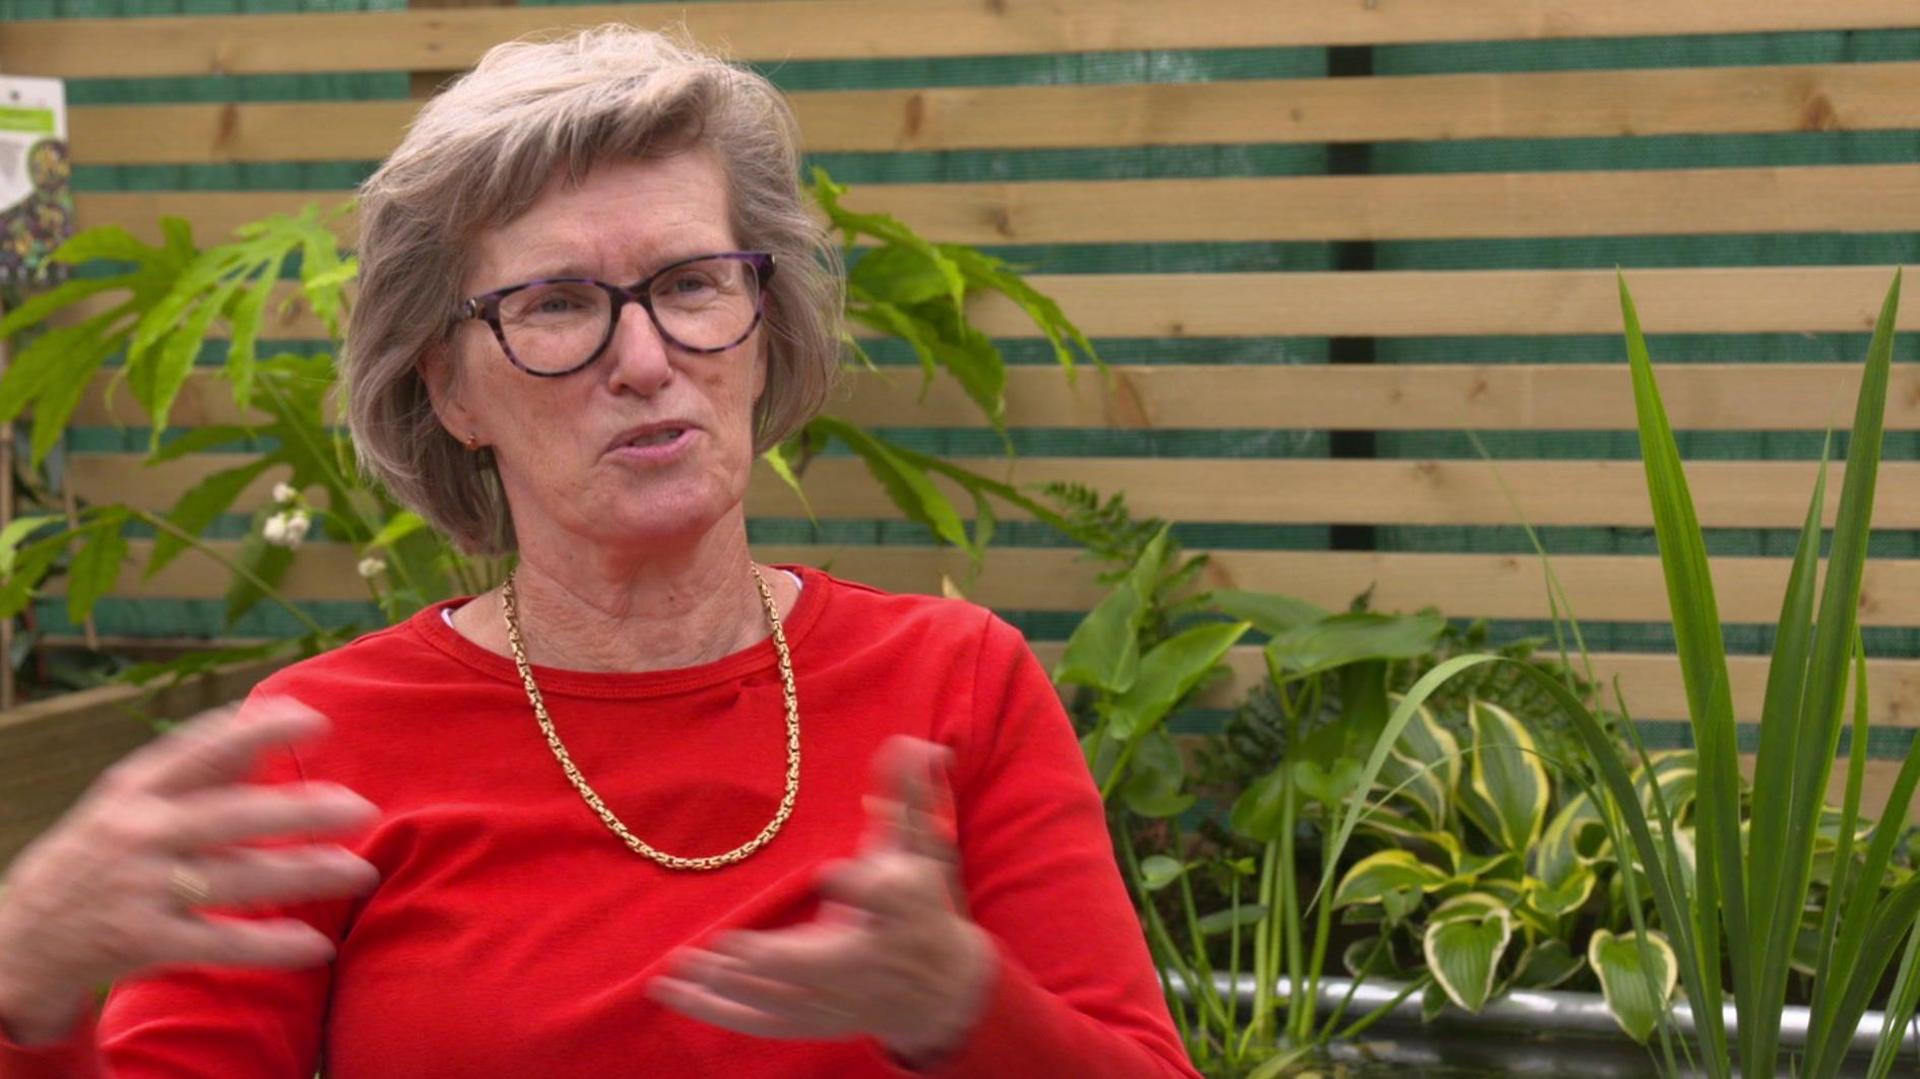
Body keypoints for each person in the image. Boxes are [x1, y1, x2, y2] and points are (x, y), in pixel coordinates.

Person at [0, 25, 1198, 1078]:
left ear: (763, 330)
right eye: (558, 305)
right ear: (449, 388)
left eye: (690, 282)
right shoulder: (319, 746)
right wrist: (23, 999)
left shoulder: (956, 681)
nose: (644, 356)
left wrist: (963, 1008)